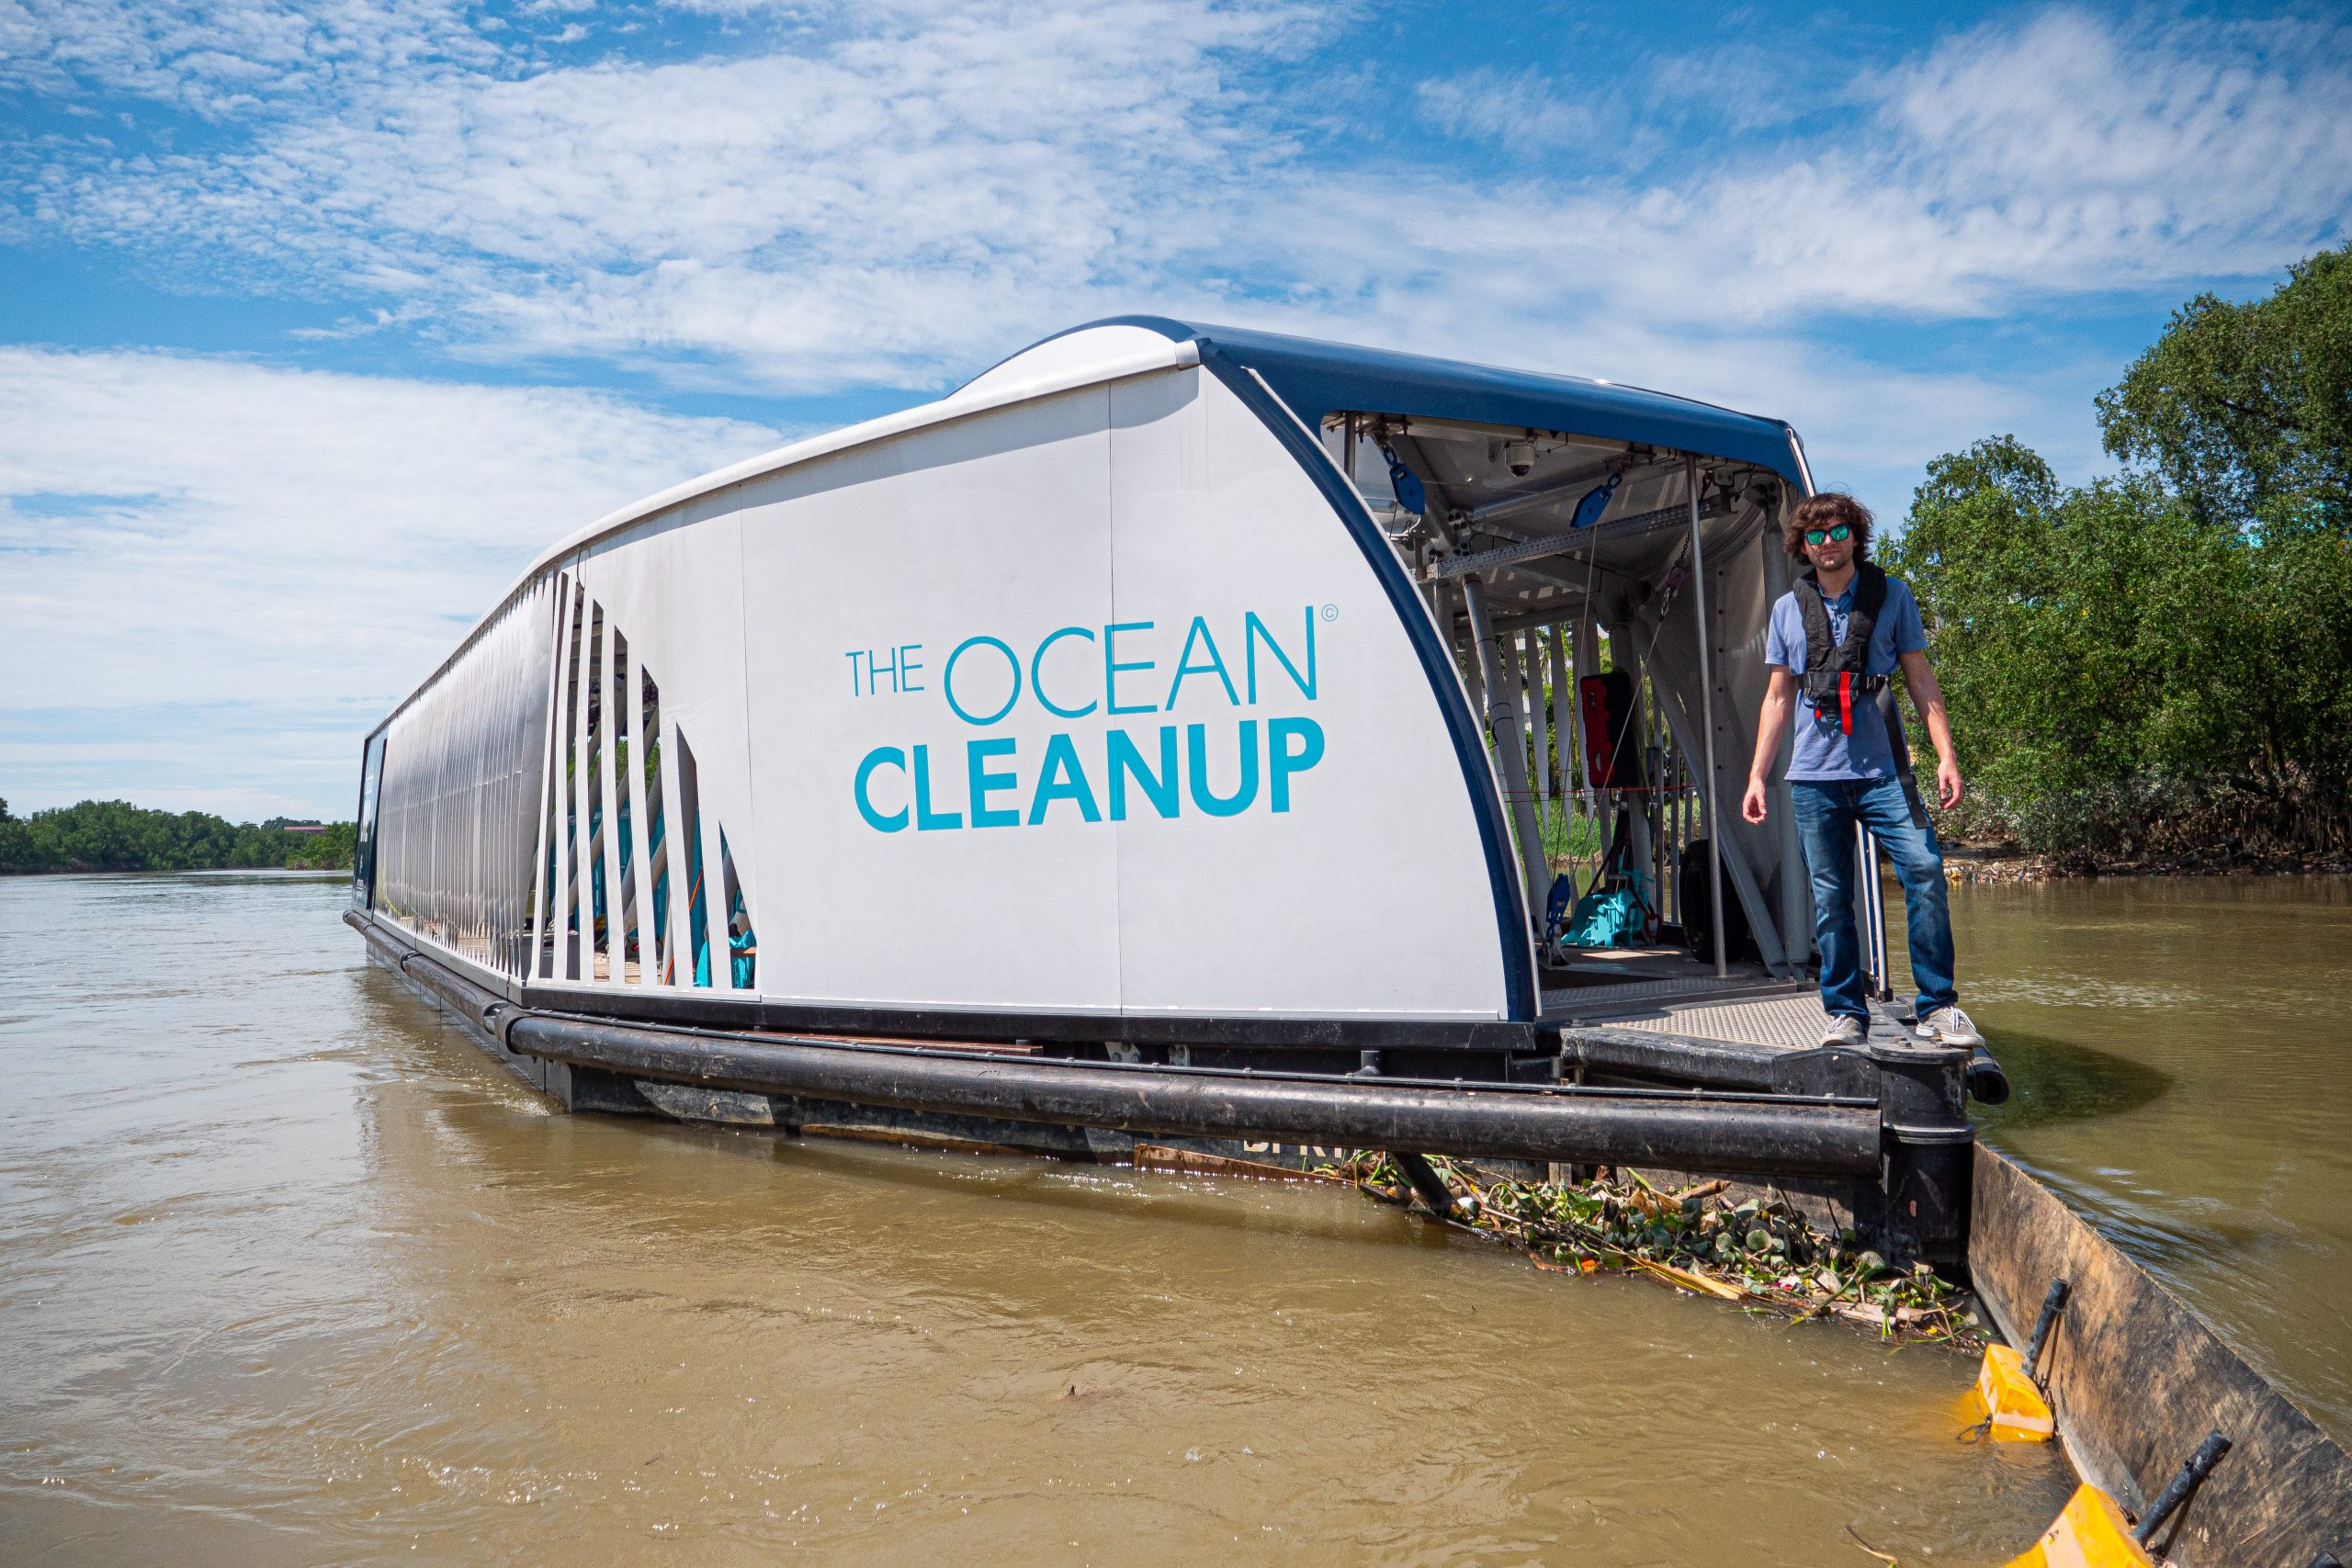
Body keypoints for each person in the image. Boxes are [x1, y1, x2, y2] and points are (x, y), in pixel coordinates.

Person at [1739, 492, 1982, 1050]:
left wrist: (1946, 755)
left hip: (1882, 771)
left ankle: (1938, 1007)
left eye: (1838, 531)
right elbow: (1777, 699)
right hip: (1813, 776)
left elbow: (1920, 680)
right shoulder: (1786, 609)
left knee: (1923, 868)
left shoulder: (1892, 596)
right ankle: (1845, 1012)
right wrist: (1757, 776)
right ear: (1803, 545)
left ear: (1856, 536)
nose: (1828, 542)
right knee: (1830, 896)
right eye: (1816, 535)